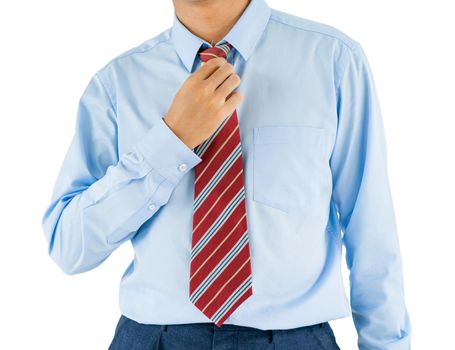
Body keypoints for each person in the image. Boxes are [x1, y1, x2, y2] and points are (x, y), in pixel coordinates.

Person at [41, 0, 412, 348]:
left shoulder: (333, 61)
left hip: (292, 339)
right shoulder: (116, 84)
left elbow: (372, 232)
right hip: (154, 339)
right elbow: (70, 246)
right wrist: (171, 140)